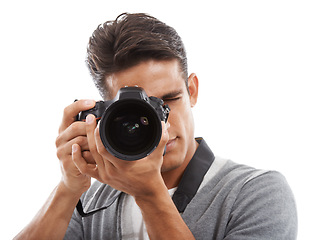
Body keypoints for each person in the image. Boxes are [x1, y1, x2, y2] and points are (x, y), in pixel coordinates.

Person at [14, 13, 297, 240]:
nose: (161, 128)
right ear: (107, 114)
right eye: (139, 112)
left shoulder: (256, 192)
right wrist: (68, 188)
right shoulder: (93, 197)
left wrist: (150, 195)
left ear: (192, 90)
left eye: (168, 101)